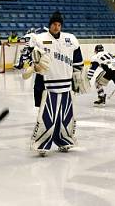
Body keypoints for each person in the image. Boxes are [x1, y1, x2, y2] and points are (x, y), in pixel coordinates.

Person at [22, 11, 87, 155]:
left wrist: (77, 79)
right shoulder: (39, 39)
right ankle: (41, 144)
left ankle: (65, 141)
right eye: (54, 24)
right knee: (46, 116)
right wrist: (32, 65)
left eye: (59, 25)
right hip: (47, 84)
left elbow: (78, 61)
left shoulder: (71, 39)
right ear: (49, 25)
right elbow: (28, 57)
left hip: (66, 84)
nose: (57, 27)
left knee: (66, 116)